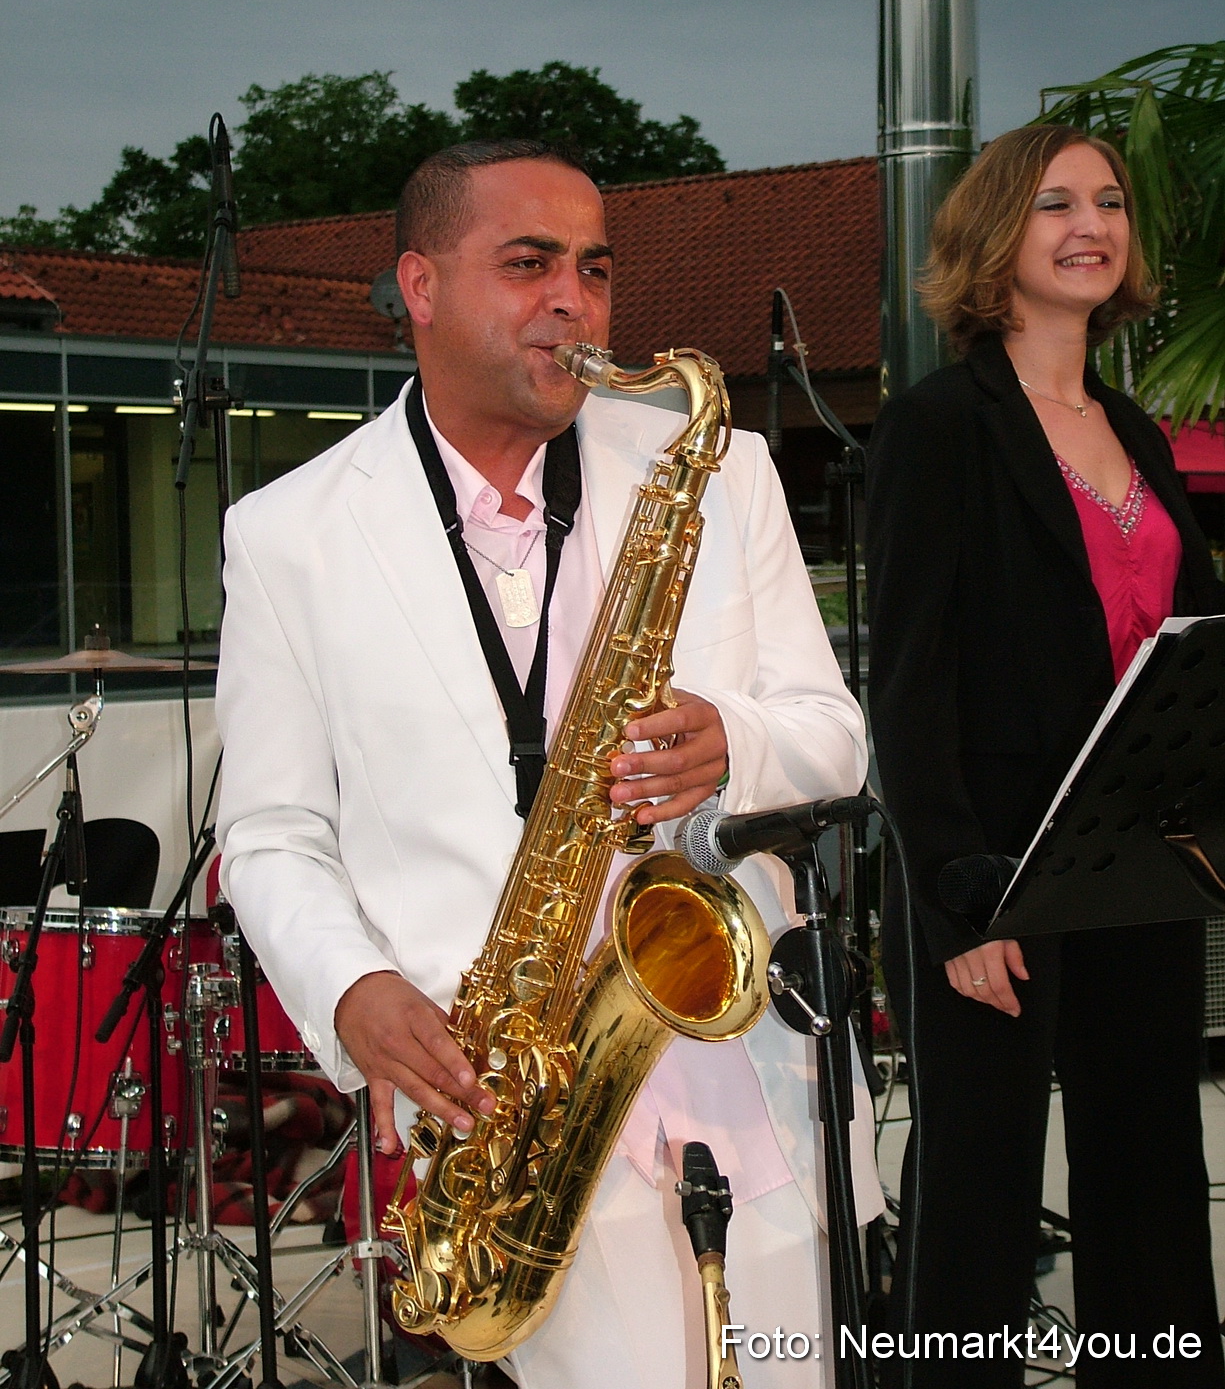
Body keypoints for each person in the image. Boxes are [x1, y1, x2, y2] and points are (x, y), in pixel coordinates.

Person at [216, 139, 883, 1389]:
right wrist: (352, 990)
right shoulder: (287, 535)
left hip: (741, 1060)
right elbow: (269, 830)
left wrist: (735, 739)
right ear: (418, 285)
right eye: (526, 264)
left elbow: (832, 732)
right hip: (510, 1115)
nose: (572, 299)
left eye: (593, 267)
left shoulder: (720, 471)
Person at [866, 123, 1225, 1386]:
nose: (1093, 224)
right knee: (980, 1184)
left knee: (1150, 1166)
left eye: (1112, 202)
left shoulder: (1132, 423)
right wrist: (955, 895)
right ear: (994, 237)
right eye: (1057, 203)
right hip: (997, 868)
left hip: (1143, 850)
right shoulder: (937, 426)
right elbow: (907, 685)